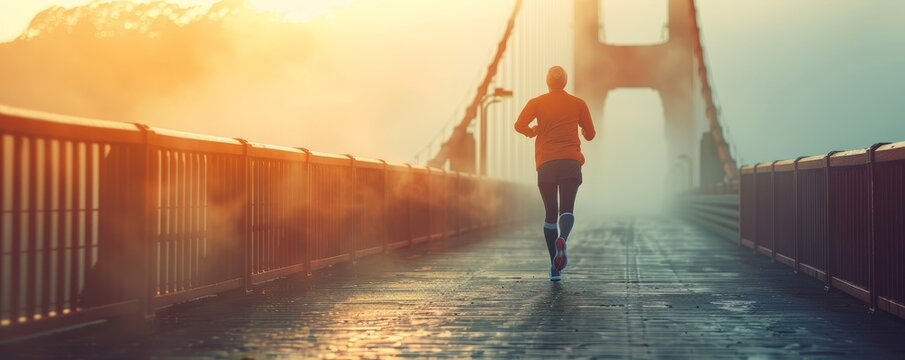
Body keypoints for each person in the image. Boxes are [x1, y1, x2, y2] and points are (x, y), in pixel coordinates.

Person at [514, 66, 596, 281]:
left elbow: (519, 125)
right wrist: (582, 130)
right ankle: (564, 238)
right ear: (565, 82)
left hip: (546, 164)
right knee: (566, 209)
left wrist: (532, 131)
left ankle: (554, 268)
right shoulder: (578, 103)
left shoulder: (536, 103)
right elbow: (591, 135)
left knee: (550, 214)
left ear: (547, 82)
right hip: (570, 162)